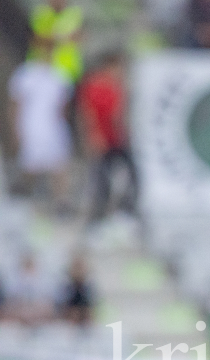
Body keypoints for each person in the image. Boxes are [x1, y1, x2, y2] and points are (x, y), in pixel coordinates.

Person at [7, 39, 73, 210]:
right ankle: (25, 202)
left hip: (53, 127)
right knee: (30, 166)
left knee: (59, 166)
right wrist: (15, 130)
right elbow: (16, 105)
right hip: (31, 126)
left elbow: (63, 106)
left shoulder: (59, 74)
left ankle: (61, 202)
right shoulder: (25, 74)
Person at [77, 52, 138, 222]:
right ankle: (98, 214)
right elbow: (87, 113)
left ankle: (127, 208)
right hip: (102, 138)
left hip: (117, 138)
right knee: (101, 178)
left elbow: (119, 114)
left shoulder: (117, 85)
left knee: (131, 173)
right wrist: (93, 136)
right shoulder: (94, 84)